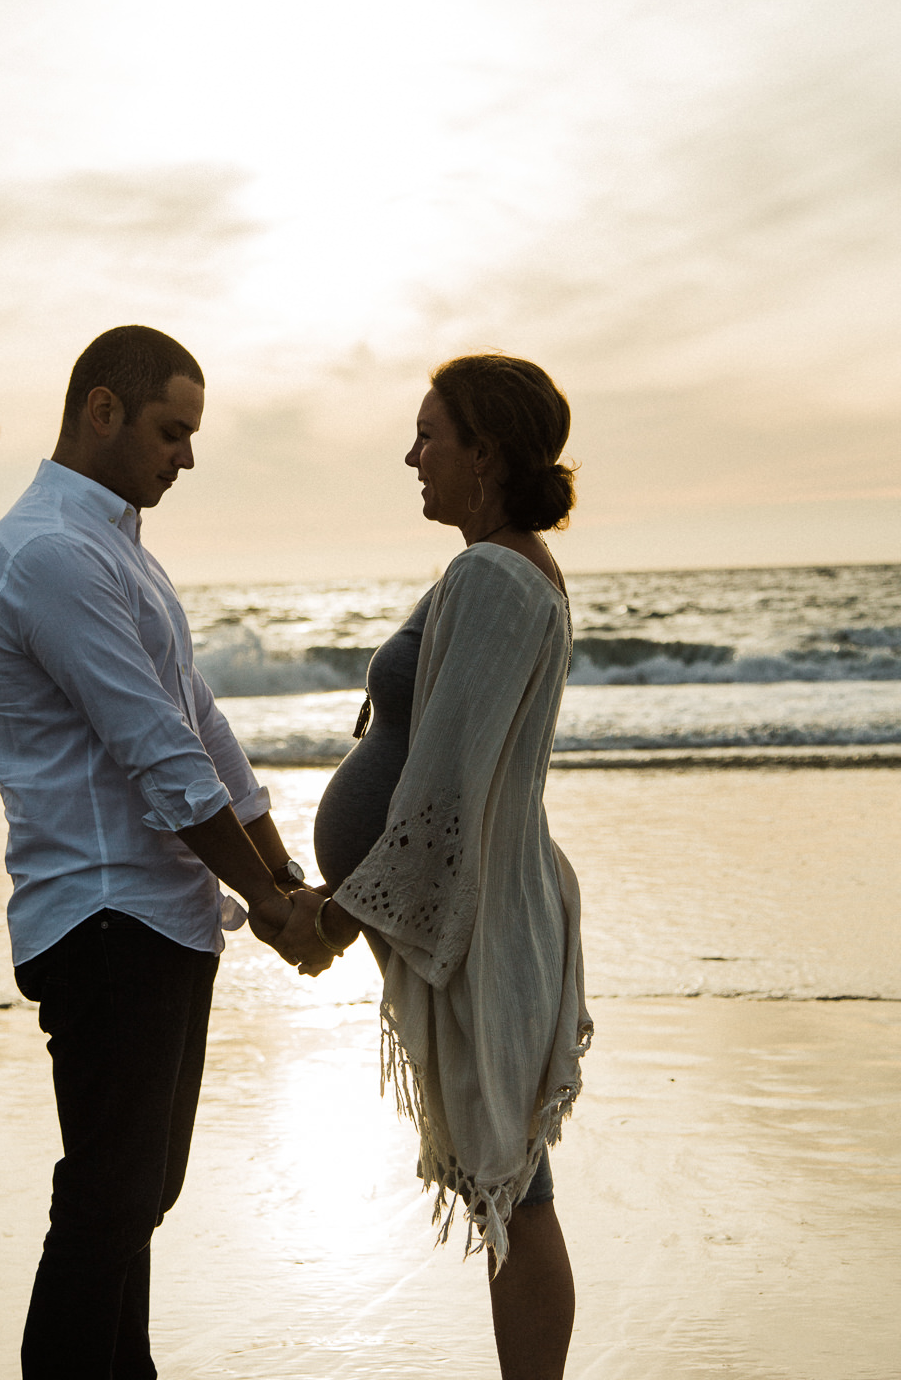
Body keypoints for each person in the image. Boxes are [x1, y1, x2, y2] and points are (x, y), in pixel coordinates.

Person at [0, 325, 327, 1380]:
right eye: (173, 431)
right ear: (102, 410)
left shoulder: (118, 552)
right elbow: (155, 753)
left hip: (162, 914)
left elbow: (203, 725)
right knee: (108, 1204)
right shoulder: (47, 554)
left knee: (136, 1201)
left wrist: (284, 877)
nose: (187, 456)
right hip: (102, 916)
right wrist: (271, 905)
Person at [312, 351, 592, 1380]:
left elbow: (443, 789)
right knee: (515, 1183)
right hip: (491, 909)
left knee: (520, 1190)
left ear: (488, 452)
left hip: (483, 917)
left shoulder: (492, 574)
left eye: (431, 436)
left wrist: (335, 919)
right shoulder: (502, 567)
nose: (412, 455)